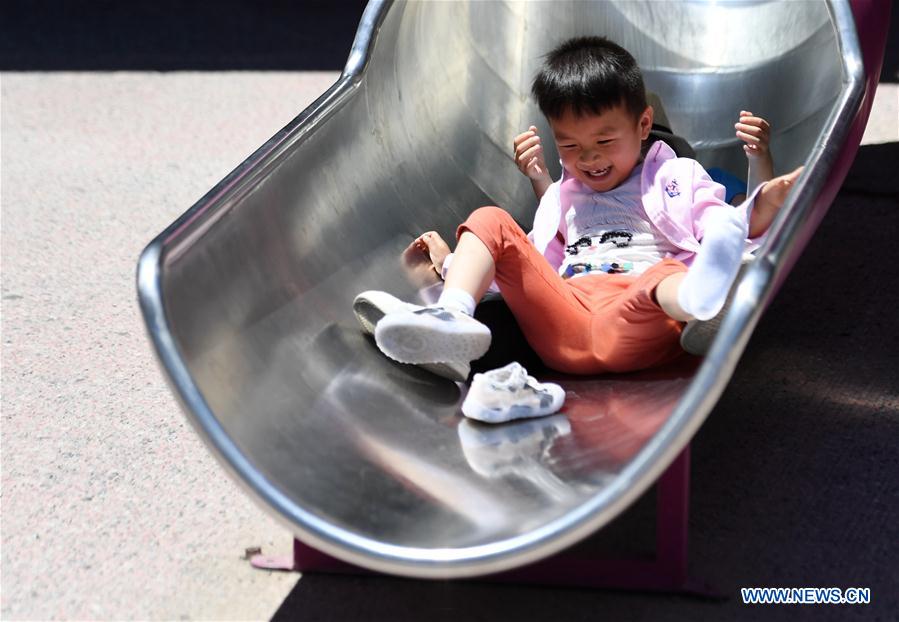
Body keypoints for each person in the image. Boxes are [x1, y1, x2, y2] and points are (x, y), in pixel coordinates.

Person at [366, 36, 801, 377]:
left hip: (636, 320)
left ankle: (702, 302)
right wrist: (448, 267)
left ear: (644, 126)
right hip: (563, 322)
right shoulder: (562, 196)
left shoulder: (678, 177)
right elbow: (525, 263)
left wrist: (767, 198)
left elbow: (729, 225)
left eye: (604, 143)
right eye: (570, 146)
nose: (589, 158)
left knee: (665, 273)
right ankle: (450, 315)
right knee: (491, 219)